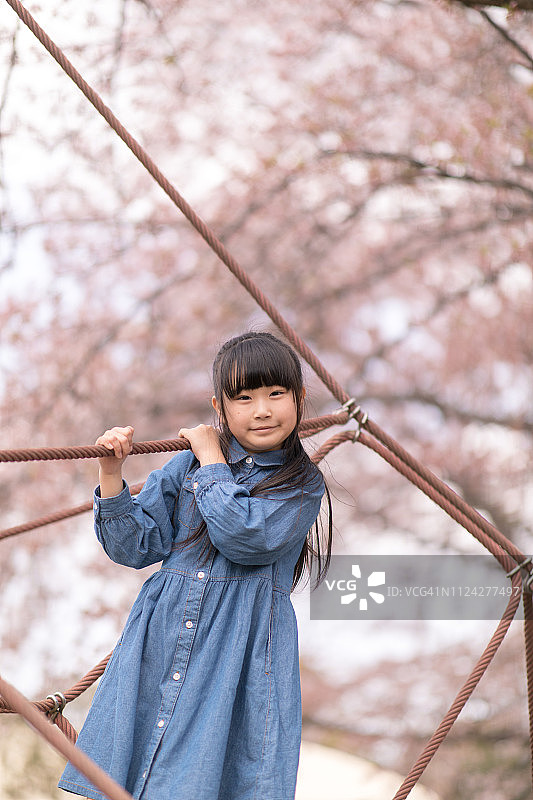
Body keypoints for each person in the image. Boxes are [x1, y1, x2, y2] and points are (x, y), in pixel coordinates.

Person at [58, 331, 332, 800]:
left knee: (202, 779)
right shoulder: (184, 466)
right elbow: (135, 547)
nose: (262, 410)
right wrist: (111, 472)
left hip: (238, 652)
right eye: (243, 398)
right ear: (219, 407)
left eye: (275, 394)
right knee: (132, 775)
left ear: (300, 398)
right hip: (163, 639)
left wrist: (210, 459)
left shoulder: (301, 485)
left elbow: (245, 537)